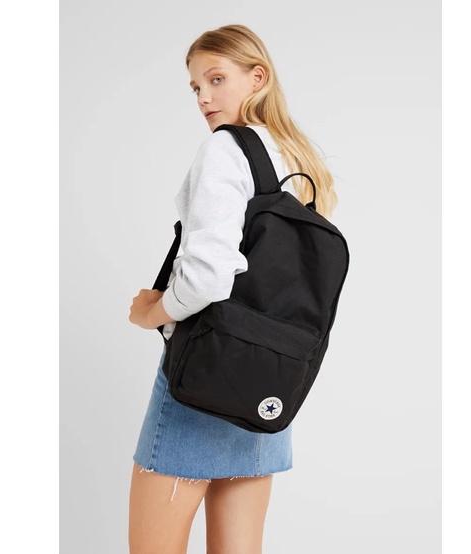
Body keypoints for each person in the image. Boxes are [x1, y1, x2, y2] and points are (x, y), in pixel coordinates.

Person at [127, 24, 338, 554]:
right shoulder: (296, 156)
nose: (203, 97)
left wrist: (152, 311)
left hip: (202, 379)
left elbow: (207, 276)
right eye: (196, 87)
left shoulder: (225, 149)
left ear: (257, 77)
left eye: (216, 79)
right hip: (271, 384)